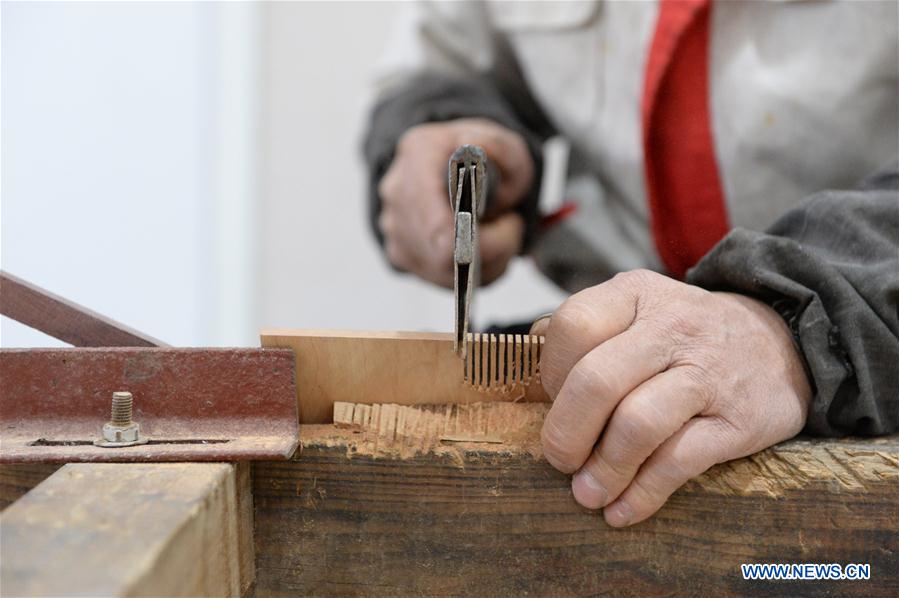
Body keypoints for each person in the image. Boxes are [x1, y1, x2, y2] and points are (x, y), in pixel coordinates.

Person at [363, 0, 899, 526]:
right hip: (601, 347)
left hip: (861, 359)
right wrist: (442, 127)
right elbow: (444, 63)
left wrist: (795, 321)